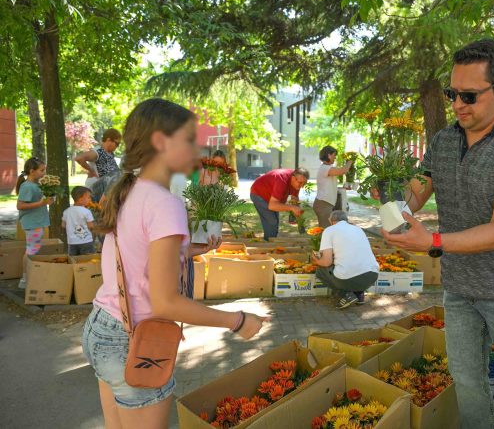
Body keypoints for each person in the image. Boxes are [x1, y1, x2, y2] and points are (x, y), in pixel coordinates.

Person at [382, 39, 494, 428]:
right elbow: (419, 189)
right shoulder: (444, 140)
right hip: (460, 288)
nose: (457, 105)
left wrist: (432, 242)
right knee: (467, 384)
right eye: (451, 93)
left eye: (469, 95)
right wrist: (393, 204)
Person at [82, 98, 267, 428]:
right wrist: (237, 321)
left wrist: (187, 251)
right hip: (134, 340)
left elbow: (137, 255)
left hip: (102, 327)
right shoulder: (164, 202)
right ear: (160, 142)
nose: (197, 150)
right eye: (189, 140)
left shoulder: (131, 190)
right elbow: (165, 303)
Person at [311, 211, 379, 309]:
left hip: (349, 278)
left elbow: (326, 262)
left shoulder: (329, 230)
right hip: (372, 276)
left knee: (321, 270)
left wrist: (316, 261)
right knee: (353, 267)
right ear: (346, 220)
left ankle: (346, 295)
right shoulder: (358, 229)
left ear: (331, 220)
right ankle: (359, 294)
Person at [15, 157, 53, 289]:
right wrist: (41, 203)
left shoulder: (36, 185)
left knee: (33, 249)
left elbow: (40, 201)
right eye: (42, 170)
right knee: (31, 250)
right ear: (32, 171)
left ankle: (29, 276)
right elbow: (20, 206)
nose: (44, 173)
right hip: (32, 224)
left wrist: (48, 200)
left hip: (36, 222)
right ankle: (25, 279)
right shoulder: (27, 186)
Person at [250, 168, 309, 240]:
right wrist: (292, 208)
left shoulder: (296, 181)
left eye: (304, 183)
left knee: (275, 222)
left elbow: (294, 199)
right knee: (272, 221)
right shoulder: (282, 180)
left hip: (271, 198)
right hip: (259, 194)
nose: (302, 186)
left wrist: (298, 217)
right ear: (293, 178)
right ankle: (269, 243)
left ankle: (271, 240)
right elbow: (272, 206)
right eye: (300, 183)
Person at [313, 146, 353, 228]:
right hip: (323, 204)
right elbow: (343, 171)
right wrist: (350, 161)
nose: (335, 157)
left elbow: (328, 186)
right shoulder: (325, 168)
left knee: (328, 229)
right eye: (334, 155)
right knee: (326, 229)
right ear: (329, 155)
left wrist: (342, 188)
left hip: (325, 203)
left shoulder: (327, 168)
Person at [62, 186, 96, 256]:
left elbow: (63, 225)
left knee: (74, 260)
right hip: (86, 241)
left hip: (72, 242)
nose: (90, 199)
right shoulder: (87, 212)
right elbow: (91, 226)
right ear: (80, 199)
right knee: (88, 260)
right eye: (88, 197)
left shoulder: (66, 211)